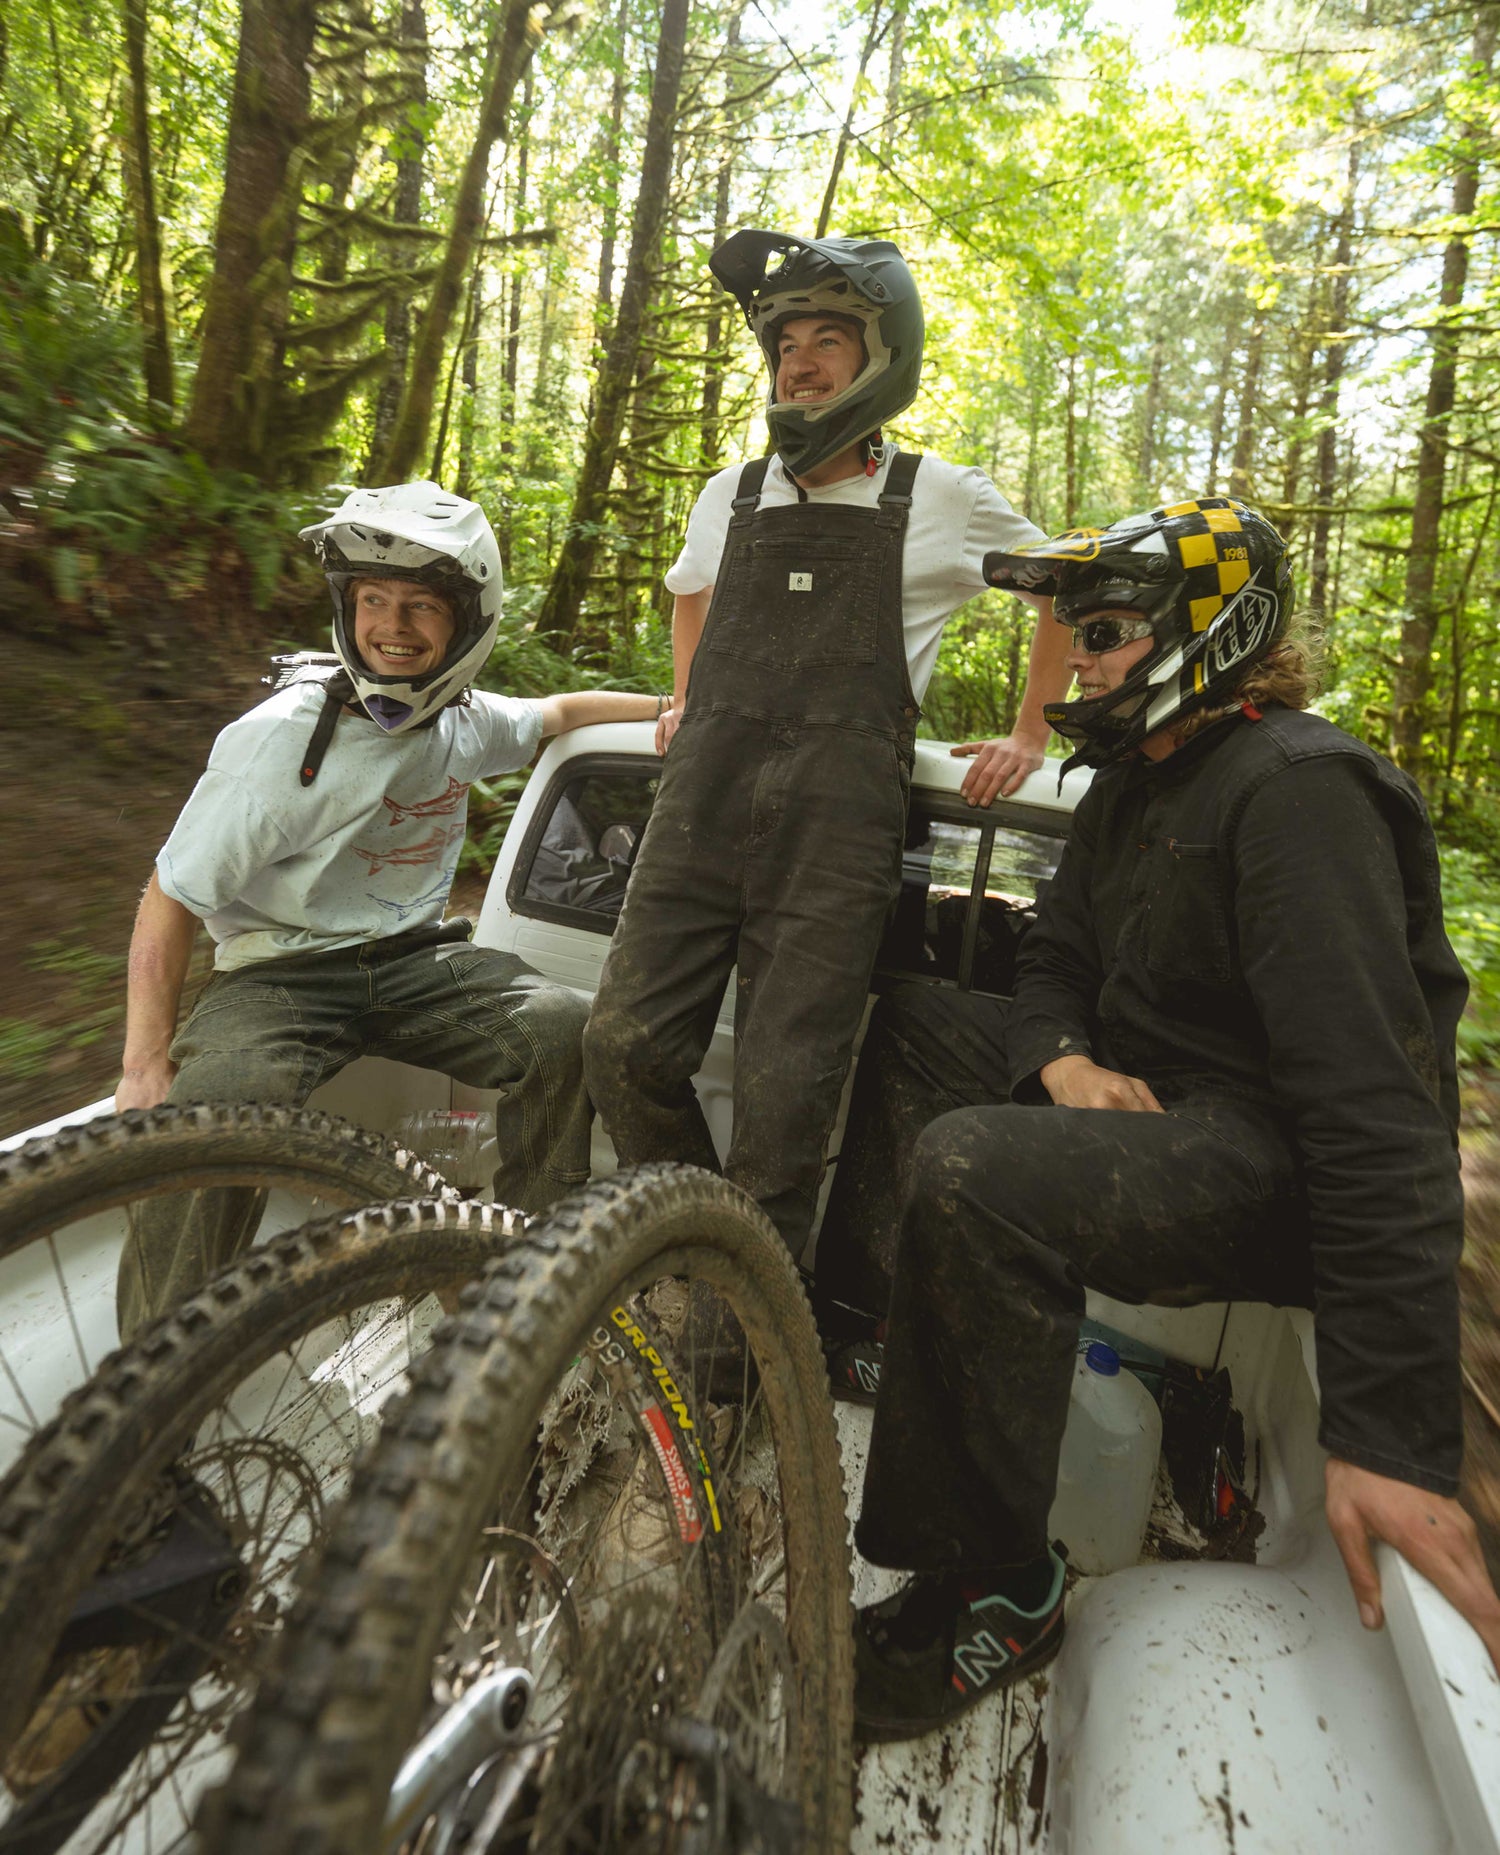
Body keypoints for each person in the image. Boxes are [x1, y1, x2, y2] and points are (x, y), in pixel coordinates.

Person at [837, 496, 1500, 1743]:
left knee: (974, 1166)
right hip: (1147, 1100)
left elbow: (1377, 1112)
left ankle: (998, 1583)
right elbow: (1051, 964)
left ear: (1207, 629)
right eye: (1077, 630)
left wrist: (1392, 1440)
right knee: (918, 1018)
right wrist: (1064, 1061)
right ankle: (893, 1336)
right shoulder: (1135, 783)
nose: (1079, 657)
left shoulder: (1302, 790)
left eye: (1104, 630)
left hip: (1269, 1156)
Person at [582, 230, 1070, 1262]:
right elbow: (689, 597)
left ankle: (738, 1351)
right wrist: (684, 695)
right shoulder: (733, 490)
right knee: (621, 1046)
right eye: (785, 342)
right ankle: (702, 1241)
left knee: (784, 1104)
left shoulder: (936, 494)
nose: (799, 361)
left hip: (835, 839)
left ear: (880, 356)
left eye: (827, 340)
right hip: (699, 811)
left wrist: (1034, 730)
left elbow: (1063, 583)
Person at [115, 481, 659, 1339]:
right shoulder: (279, 739)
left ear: (465, 625)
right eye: (373, 600)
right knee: (220, 1104)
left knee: (567, 1029)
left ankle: (524, 1282)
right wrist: (144, 1063)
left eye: (420, 606)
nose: (392, 626)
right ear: (346, 606)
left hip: (412, 961)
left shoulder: (460, 723)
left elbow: (560, 713)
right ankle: (152, 1375)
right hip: (278, 974)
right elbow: (171, 895)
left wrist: (675, 712)